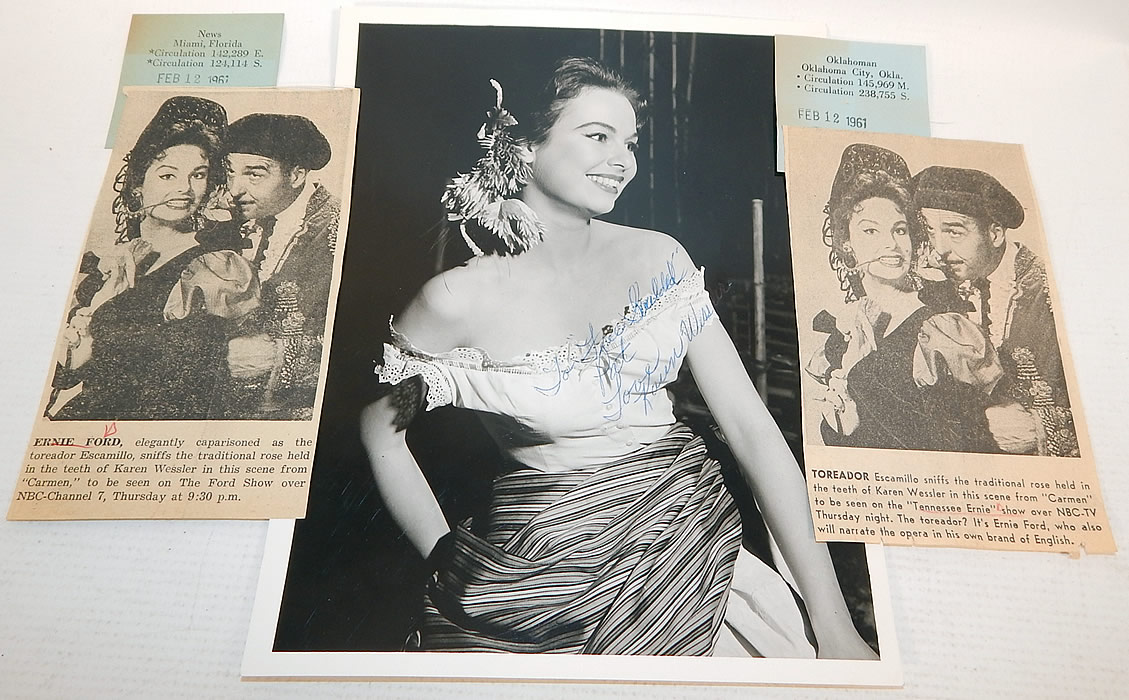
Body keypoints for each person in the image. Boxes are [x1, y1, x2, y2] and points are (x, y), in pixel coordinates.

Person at [361, 57, 877, 658]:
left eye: (629, 142)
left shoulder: (658, 259)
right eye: (597, 137)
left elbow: (755, 433)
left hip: (694, 551)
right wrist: (447, 562)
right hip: (532, 584)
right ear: (523, 147)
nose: (623, 161)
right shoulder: (454, 300)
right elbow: (378, 435)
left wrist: (836, 626)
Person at [50, 96, 258, 420]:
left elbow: (188, 385)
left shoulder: (215, 270)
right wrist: (77, 350)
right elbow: (69, 373)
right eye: (167, 176)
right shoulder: (121, 262)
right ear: (138, 186)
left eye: (198, 175)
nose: (184, 190)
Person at [806, 145, 1001, 453]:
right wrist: (846, 427)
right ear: (847, 244)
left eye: (899, 230)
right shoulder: (850, 326)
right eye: (870, 231)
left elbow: (967, 447)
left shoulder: (943, 328)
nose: (890, 244)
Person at [914, 166, 1078, 457]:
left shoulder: (1052, 291)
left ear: (995, 234)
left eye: (954, 231)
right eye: (930, 230)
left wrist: (1041, 428)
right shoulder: (945, 287)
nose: (939, 249)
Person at [221, 113, 341, 420]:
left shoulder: (336, 229)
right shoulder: (239, 223)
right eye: (230, 172)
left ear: (297, 175)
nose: (235, 189)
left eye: (255, 174)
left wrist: (277, 357)